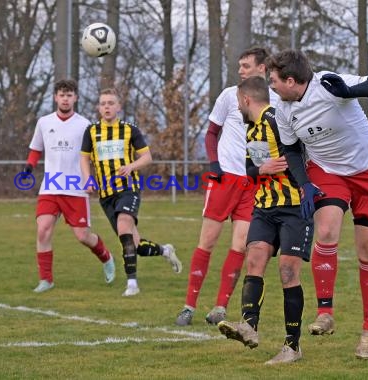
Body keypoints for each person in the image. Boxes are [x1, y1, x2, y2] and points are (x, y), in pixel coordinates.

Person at [266, 49, 368, 359]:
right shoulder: (282, 107)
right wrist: (305, 184)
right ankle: (326, 312)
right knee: (326, 233)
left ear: (291, 80)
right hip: (327, 171)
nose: (271, 87)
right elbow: (292, 150)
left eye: (274, 81)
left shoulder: (327, 84)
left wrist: (350, 91)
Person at [175, 46, 278, 326]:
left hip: (254, 182)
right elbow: (211, 133)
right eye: (239, 66)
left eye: (246, 66)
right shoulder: (228, 96)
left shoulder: (277, 100)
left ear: (262, 68)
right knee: (207, 242)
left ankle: (220, 306)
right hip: (225, 179)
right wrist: (214, 164)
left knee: (240, 245)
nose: (241, 70)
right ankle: (189, 306)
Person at [217, 76, 313, 364]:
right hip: (264, 206)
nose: (238, 107)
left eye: (238, 102)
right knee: (255, 258)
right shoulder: (251, 129)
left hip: (294, 206)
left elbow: (299, 155)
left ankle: (292, 347)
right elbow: (250, 168)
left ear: (246, 99)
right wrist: (262, 169)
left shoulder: (276, 120)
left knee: (287, 272)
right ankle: (249, 325)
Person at [80, 88, 182, 297]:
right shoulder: (91, 131)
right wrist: (87, 178)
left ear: (118, 107)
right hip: (105, 194)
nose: (107, 106)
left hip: (128, 188)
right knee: (134, 245)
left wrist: (131, 167)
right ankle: (165, 250)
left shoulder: (130, 130)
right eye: (103, 103)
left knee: (124, 224)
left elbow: (147, 157)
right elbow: (84, 158)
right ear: (99, 108)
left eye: (111, 103)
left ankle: (132, 284)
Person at [24, 79, 116, 293]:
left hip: (75, 187)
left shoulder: (85, 125)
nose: (65, 98)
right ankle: (46, 280)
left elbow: (93, 156)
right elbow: (36, 148)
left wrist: (94, 178)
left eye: (69, 95)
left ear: (75, 98)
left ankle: (106, 257)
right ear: (55, 97)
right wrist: (30, 165)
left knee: (83, 236)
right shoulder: (44, 122)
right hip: (50, 187)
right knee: (43, 230)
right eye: (61, 95)